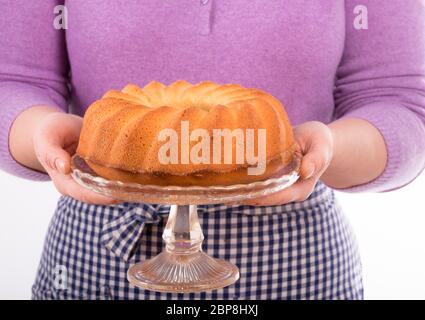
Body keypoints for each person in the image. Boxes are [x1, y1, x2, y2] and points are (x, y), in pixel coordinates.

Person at [1, 1, 424, 300]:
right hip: (96, 258)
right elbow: (14, 80)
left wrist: (323, 151)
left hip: (296, 266)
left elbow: (399, 102)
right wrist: (40, 133)